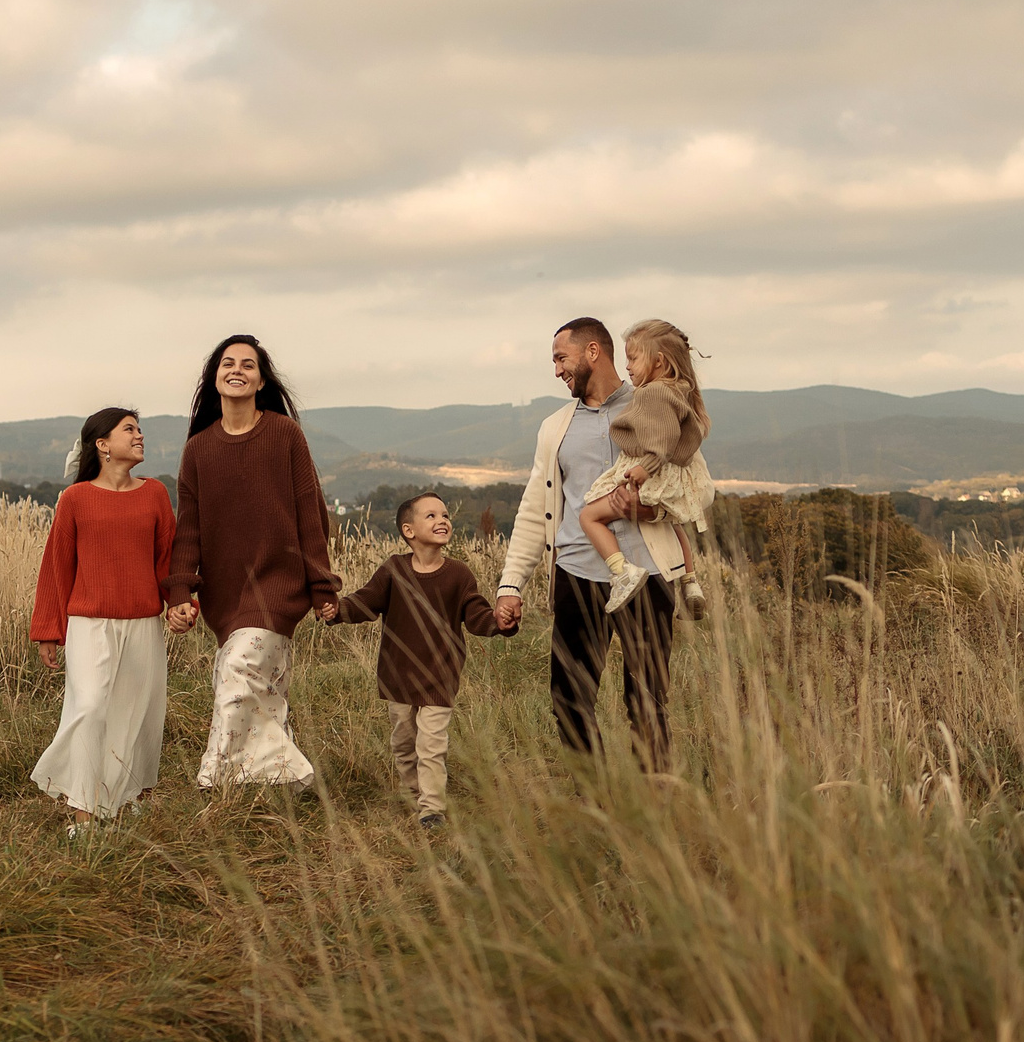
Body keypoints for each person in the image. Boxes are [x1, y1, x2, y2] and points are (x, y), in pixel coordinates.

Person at [493, 318, 692, 773]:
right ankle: (595, 802)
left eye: (561, 358)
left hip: (646, 573)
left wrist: (653, 511)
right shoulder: (555, 428)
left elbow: (690, 484)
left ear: (593, 352)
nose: (557, 370)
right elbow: (533, 508)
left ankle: (656, 803)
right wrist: (510, 585)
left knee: (647, 697)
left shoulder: (655, 402)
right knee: (569, 695)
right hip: (578, 573)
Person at [162, 334, 339, 790]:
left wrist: (322, 587)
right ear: (214, 377)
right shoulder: (198, 449)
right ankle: (278, 784)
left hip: (280, 587)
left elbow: (309, 512)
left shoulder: (284, 435)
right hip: (226, 595)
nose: (237, 369)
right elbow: (190, 529)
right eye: (227, 363)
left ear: (261, 380)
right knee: (261, 692)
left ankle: (218, 781)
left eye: (248, 364)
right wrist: (179, 591)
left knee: (240, 674)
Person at [29, 407, 179, 831]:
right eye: (129, 429)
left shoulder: (155, 494)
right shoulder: (75, 499)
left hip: (143, 624)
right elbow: (56, 567)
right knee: (90, 708)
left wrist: (180, 604)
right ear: (102, 444)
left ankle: (134, 797)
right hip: (88, 624)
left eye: (140, 429)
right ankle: (83, 814)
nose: (140, 436)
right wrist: (48, 631)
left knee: (140, 715)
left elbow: (166, 558)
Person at [325, 492, 508, 827]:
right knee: (404, 743)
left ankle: (431, 809)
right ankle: (414, 794)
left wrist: (499, 622)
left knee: (431, 744)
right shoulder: (393, 571)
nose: (442, 521)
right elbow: (366, 601)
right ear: (408, 531)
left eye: (445, 515)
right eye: (431, 516)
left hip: (440, 676)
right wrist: (339, 610)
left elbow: (476, 614)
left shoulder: (459, 574)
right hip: (398, 677)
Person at [578, 319, 715, 617]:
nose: (627, 366)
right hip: (674, 474)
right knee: (673, 524)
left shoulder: (652, 393)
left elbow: (662, 442)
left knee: (589, 516)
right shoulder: (679, 389)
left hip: (651, 470)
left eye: (633, 358)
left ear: (658, 361)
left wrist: (645, 467)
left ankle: (622, 571)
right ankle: (690, 582)